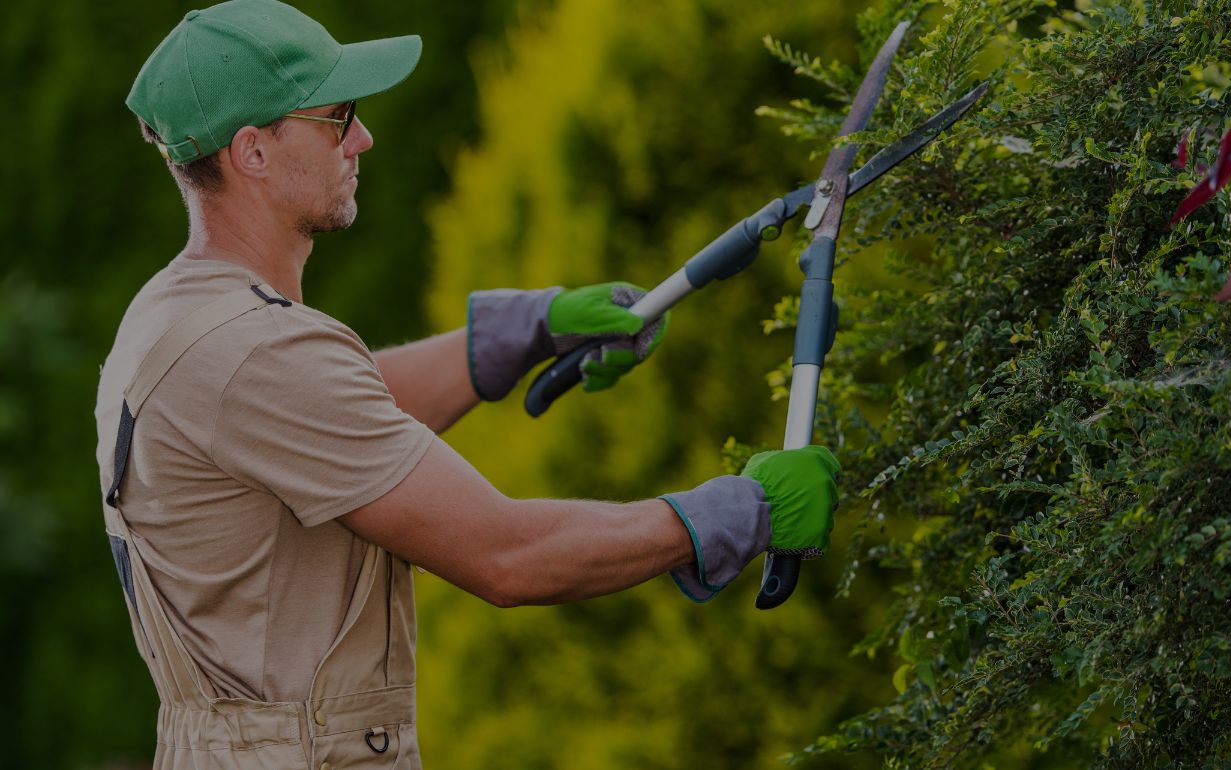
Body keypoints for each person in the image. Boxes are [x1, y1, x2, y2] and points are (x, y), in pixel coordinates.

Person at [94, 1, 841, 767]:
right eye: (337, 116)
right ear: (252, 151)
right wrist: (735, 514)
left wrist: (524, 331)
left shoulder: (178, 315)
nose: (363, 138)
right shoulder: (257, 353)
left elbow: (334, 418)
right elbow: (508, 556)